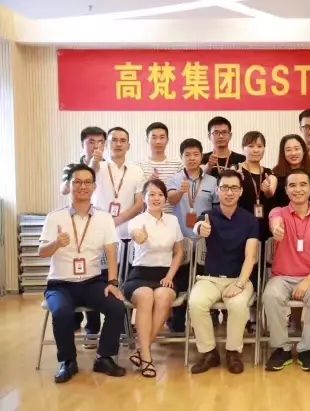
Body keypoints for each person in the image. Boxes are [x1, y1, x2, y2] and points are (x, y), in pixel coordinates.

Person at [39, 164, 126, 383]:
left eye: (87, 182)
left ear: (94, 187)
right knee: (61, 312)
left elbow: (111, 251)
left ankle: (104, 357)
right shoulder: (54, 217)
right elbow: (41, 253)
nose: (82, 186)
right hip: (60, 284)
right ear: (69, 185)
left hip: (91, 282)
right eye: (77, 182)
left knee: (117, 306)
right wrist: (56, 243)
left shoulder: (104, 218)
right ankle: (68, 361)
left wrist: (113, 282)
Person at [189, 170, 259, 374]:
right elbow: (197, 226)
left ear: (241, 191)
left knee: (237, 305)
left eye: (234, 188)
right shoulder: (208, 216)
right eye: (225, 187)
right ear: (217, 190)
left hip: (239, 278)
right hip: (209, 279)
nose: (229, 192)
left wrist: (239, 284)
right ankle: (209, 353)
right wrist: (199, 229)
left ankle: (233, 352)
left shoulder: (250, 220)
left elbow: (251, 257)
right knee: (196, 302)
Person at [263, 169, 310, 372]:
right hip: (282, 277)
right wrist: (277, 230)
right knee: (270, 295)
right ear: (286, 190)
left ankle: (306, 349)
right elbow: (274, 222)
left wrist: (307, 281)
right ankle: (282, 348)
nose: (298, 189)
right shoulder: (278, 212)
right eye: (292, 185)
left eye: (303, 184)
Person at [122, 179, 184, 378]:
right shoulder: (137, 221)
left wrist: (170, 276)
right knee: (146, 296)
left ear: (165, 198)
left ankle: (142, 350)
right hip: (139, 274)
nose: (156, 198)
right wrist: (140, 236)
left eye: (160, 194)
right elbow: (136, 235)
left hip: (165, 275)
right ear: (144, 198)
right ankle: (147, 357)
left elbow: (179, 252)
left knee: (164, 296)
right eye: (151, 194)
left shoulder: (173, 221)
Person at [166, 138, 218, 332]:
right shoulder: (175, 178)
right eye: (187, 154)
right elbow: (171, 200)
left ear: (201, 156)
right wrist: (180, 191)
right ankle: (178, 321)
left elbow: (216, 208)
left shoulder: (211, 181)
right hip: (182, 239)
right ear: (181, 157)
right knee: (180, 280)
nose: (192, 158)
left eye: (196, 154)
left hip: (205, 240)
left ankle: (204, 322)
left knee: (203, 280)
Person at [59, 126, 106, 335]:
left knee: (94, 275)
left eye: (100, 142)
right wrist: (88, 168)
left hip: (98, 223)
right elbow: (64, 190)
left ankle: (93, 327)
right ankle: (75, 320)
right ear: (82, 144)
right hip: (75, 224)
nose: (96, 146)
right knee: (75, 270)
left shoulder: (108, 166)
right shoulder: (71, 167)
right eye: (91, 142)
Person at [92, 127, 145, 241]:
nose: (118, 144)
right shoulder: (97, 167)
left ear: (128, 146)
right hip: (98, 231)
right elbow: (89, 174)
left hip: (127, 233)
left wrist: (115, 221)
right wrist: (94, 160)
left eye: (123, 140)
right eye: (114, 140)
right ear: (106, 144)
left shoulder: (137, 171)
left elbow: (139, 205)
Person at [237, 131, 277, 240]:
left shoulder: (269, 173)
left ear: (264, 148)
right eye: (251, 146)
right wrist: (236, 181)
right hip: (241, 225)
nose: (255, 150)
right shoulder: (236, 170)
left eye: (259, 146)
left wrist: (267, 190)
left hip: (264, 226)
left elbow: (270, 194)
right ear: (243, 148)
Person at [137, 122, 183, 213]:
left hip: (171, 217)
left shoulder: (178, 165)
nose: (158, 141)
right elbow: (136, 197)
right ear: (147, 140)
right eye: (154, 137)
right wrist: (148, 184)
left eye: (162, 137)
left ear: (167, 140)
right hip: (146, 217)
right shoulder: (138, 166)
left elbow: (180, 195)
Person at [272, 134, 310, 208]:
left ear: (304, 151)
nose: (293, 153)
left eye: (297, 149)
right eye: (288, 150)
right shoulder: (275, 174)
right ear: (283, 153)